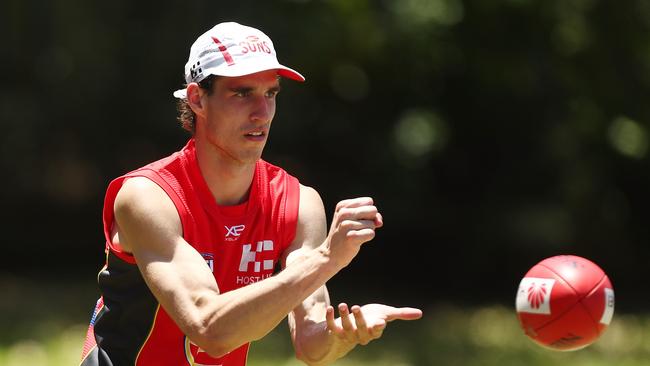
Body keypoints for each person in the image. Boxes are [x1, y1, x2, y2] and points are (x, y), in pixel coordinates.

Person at [80, 21, 422, 366]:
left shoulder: (298, 204)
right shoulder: (148, 196)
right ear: (197, 98)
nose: (262, 113)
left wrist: (344, 334)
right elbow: (209, 330)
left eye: (270, 93)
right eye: (242, 93)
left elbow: (311, 345)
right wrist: (328, 259)